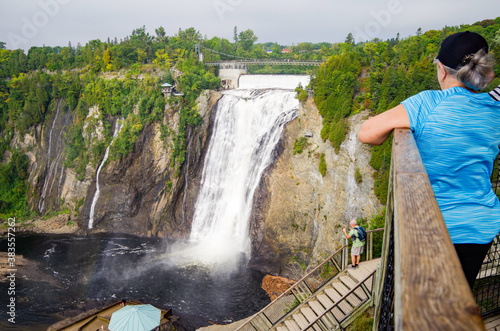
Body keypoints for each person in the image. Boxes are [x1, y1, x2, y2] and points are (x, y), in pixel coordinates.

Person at [358, 31, 500, 288]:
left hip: (432, 227)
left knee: (427, 305)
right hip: (481, 225)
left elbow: (367, 134)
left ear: (442, 71)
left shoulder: (427, 103)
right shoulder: (494, 109)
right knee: (459, 293)